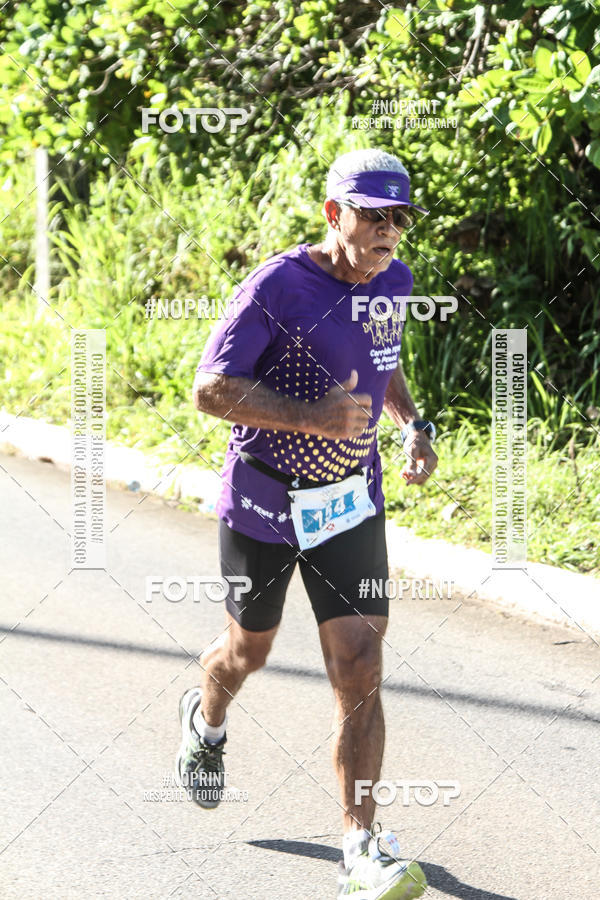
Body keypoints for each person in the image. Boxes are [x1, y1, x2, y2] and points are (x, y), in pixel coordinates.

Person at [176, 148, 438, 899]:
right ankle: (206, 714)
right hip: (266, 499)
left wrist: (414, 423)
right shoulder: (276, 287)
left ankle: (361, 843)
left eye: (400, 219)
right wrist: (311, 416)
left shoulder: (394, 281)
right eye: (374, 216)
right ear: (334, 214)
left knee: (358, 661)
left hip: (350, 501)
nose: (389, 233)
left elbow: (381, 358)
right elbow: (210, 389)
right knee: (246, 651)